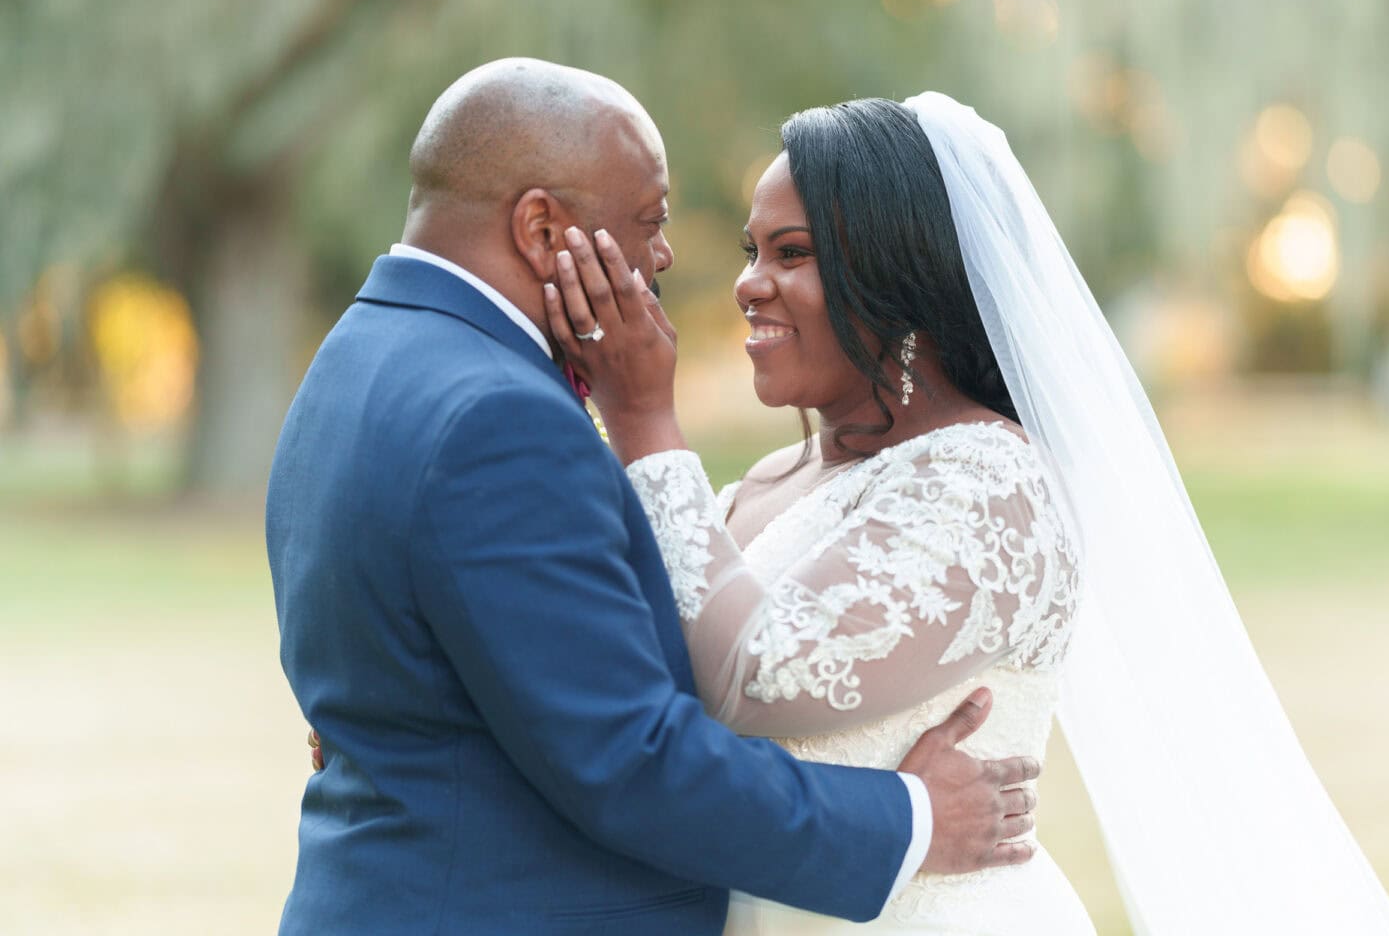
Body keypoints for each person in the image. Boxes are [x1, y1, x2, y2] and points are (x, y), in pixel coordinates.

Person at [548, 94, 1389, 934]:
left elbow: (760, 676)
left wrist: (645, 422)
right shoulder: (768, 481)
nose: (748, 285)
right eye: (752, 251)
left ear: (897, 281)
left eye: (794, 254)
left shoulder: (988, 483)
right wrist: (906, 811)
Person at [266, 60, 1044, 936]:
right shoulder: (498, 416)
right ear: (541, 228)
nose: (669, 259)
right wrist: (913, 819)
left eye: (790, 253)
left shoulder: (356, 358)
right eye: (649, 222)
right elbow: (629, 758)